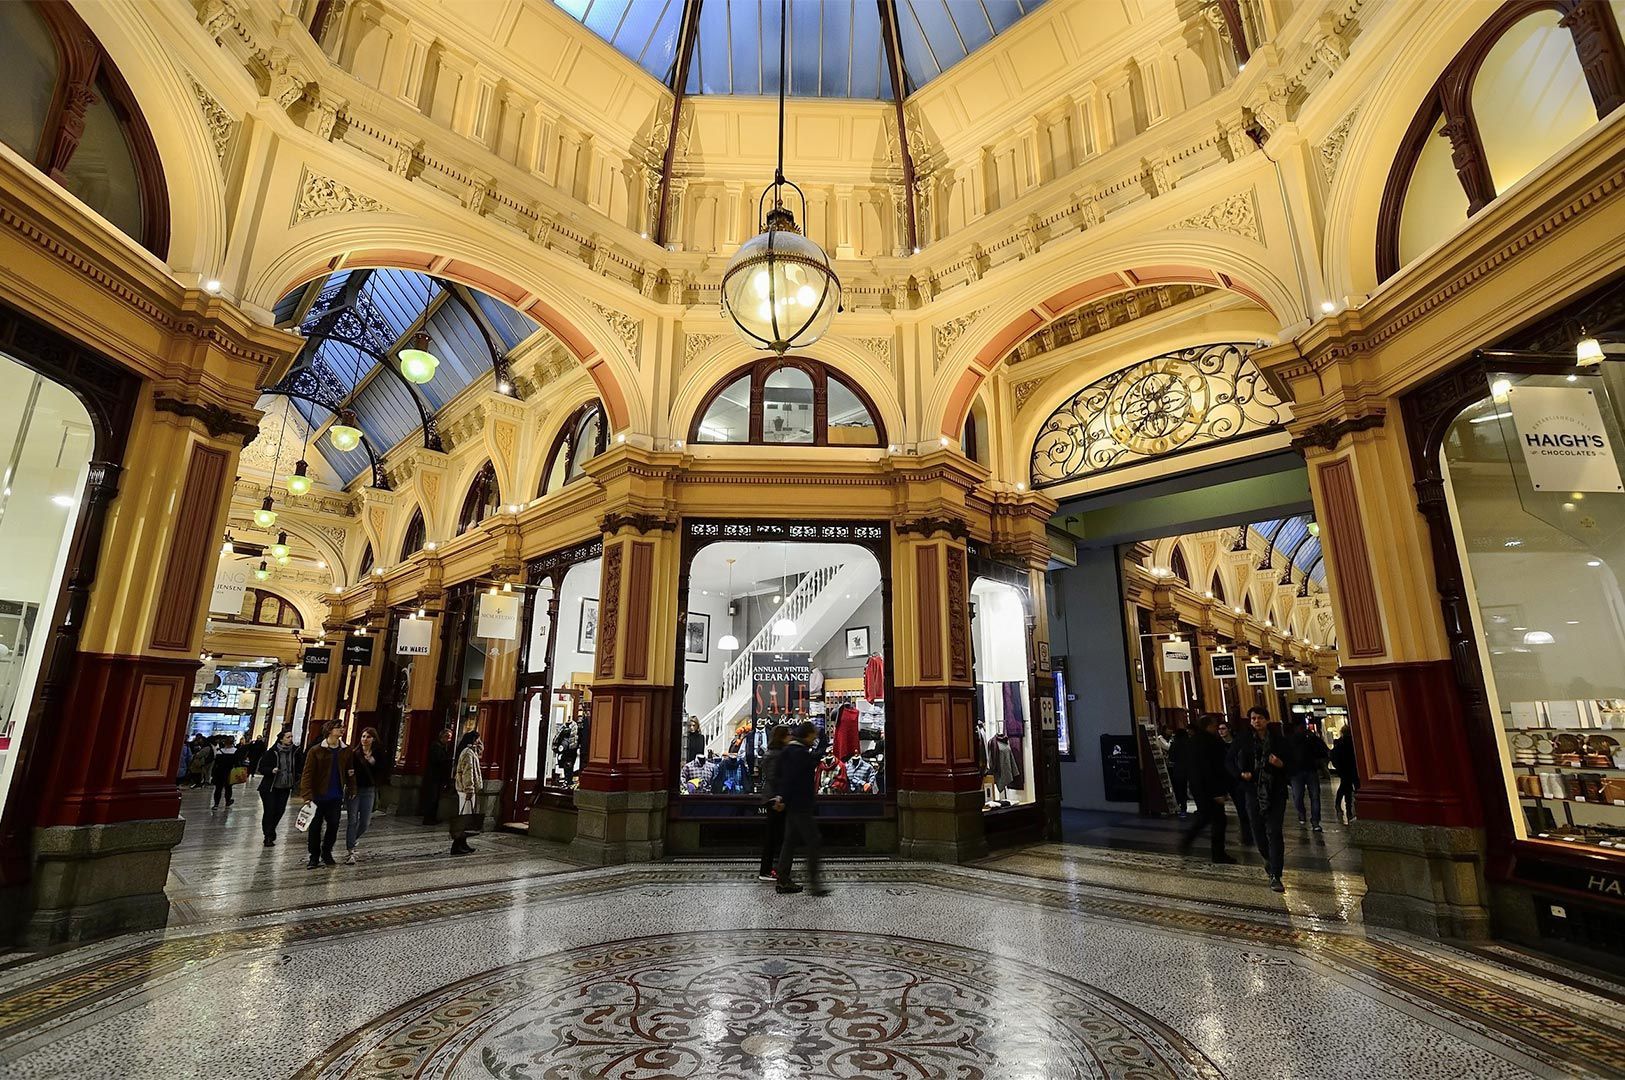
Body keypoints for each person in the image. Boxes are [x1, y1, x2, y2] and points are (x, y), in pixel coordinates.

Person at [1230, 706, 1289, 892]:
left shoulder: (1279, 741)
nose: (1257, 721)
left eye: (1260, 718)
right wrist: (1240, 774)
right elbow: (1229, 760)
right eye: (1254, 718)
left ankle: (1276, 874)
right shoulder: (1243, 740)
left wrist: (1281, 764)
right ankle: (1268, 859)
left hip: (1275, 792)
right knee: (1258, 831)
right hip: (1252, 791)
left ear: (1267, 720)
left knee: (1274, 831)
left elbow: (1293, 762)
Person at [774, 721, 827, 896]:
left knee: (789, 841)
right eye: (813, 735)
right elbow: (793, 776)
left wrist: (782, 797)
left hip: (793, 804)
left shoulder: (789, 750)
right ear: (808, 734)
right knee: (813, 840)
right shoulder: (799, 753)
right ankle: (814, 884)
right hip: (800, 805)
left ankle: (783, 879)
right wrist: (824, 740)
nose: (814, 739)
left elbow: (781, 775)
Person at [1177, 715, 1235, 864]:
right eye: (1215, 724)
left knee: (1205, 817)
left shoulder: (1193, 741)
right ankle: (1217, 853)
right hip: (1210, 787)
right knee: (1218, 820)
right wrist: (1218, 791)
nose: (1216, 727)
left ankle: (1187, 840)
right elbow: (1214, 768)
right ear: (1209, 725)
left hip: (1198, 787)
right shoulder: (1211, 742)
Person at [298, 720, 354, 869]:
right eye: (338, 727)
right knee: (315, 827)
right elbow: (307, 774)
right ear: (329, 730)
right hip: (318, 796)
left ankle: (327, 852)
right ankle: (314, 856)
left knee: (333, 825)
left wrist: (352, 788)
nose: (342, 729)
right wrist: (307, 795)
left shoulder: (346, 750)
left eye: (342, 727)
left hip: (335, 796)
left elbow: (350, 771)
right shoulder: (316, 750)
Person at [257, 727, 301, 847]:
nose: (290, 739)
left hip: (285, 787)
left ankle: (271, 830)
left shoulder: (295, 752)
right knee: (269, 811)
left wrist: (296, 777)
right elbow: (261, 768)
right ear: (281, 739)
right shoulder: (272, 752)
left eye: (291, 737)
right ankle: (268, 836)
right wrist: (271, 770)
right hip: (270, 787)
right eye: (288, 737)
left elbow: (299, 766)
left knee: (279, 811)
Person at [1286, 717, 1330, 833]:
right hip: (1297, 772)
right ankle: (1303, 813)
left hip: (1309, 771)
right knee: (1299, 797)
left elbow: (1322, 750)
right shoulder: (1290, 740)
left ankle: (1315, 821)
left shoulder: (1310, 738)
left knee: (1313, 796)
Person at [758, 726, 789, 882]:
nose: (790, 737)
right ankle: (766, 870)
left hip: (773, 797)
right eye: (787, 734)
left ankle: (771, 868)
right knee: (773, 836)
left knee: (774, 835)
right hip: (774, 799)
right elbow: (774, 778)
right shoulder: (776, 755)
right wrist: (778, 797)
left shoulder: (772, 753)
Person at [345, 727, 381, 864]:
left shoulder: (378, 754)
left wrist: (373, 762)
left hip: (369, 790)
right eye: (363, 736)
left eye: (368, 737)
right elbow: (348, 769)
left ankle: (352, 840)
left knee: (365, 822)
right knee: (352, 820)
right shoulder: (355, 753)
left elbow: (382, 771)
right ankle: (350, 850)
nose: (364, 739)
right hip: (354, 790)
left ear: (373, 739)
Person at [1217, 718, 1252, 848]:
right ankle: (1246, 833)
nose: (1221, 731)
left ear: (1229, 729)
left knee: (1243, 807)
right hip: (1228, 780)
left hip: (1240, 778)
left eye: (1223, 728)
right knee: (1241, 807)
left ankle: (1247, 833)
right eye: (1219, 729)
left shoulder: (1238, 743)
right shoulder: (1218, 745)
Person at [449, 731, 483, 855]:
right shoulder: (467, 753)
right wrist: (469, 789)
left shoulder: (469, 752)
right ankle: (457, 845)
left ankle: (463, 843)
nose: (479, 741)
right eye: (478, 739)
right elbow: (468, 772)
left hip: (466, 790)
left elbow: (480, 751)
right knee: (465, 818)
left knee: (466, 818)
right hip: (466, 790)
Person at [421, 726, 454, 826]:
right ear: (442, 737)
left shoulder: (442, 747)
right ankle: (428, 818)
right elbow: (438, 760)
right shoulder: (436, 747)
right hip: (433, 777)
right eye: (448, 737)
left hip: (437, 777)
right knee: (432, 798)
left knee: (435, 799)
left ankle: (432, 817)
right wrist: (448, 760)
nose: (449, 740)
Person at [1331, 727, 1360, 825]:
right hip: (1352, 768)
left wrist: (1338, 767)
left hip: (1344, 769)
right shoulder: (1354, 742)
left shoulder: (1339, 743)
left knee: (1345, 788)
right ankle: (1351, 809)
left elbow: (1334, 756)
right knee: (1352, 787)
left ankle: (1345, 807)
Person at [1162, 721, 1189, 817]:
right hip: (1190, 769)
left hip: (1178, 769)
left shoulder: (1175, 743)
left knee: (1179, 789)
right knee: (1189, 789)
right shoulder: (1189, 743)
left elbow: (1171, 757)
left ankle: (1182, 808)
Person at [210, 735, 240, 810]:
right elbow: (237, 763)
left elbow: (216, 763)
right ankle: (227, 802)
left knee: (218, 788)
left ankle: (216, 804)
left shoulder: (219, 751)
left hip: (219, 772)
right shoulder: (236, 751)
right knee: (228, 788)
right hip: (230, 772)